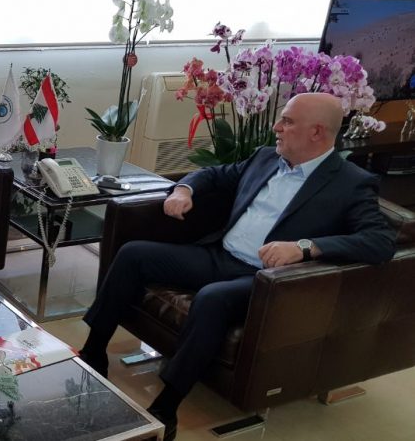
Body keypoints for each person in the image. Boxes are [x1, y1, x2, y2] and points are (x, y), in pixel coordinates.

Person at [79, 92, 396, 440]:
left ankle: (165, 408)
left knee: (212, 299)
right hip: (219, 256)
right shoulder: (265, 157)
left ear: (317, 132)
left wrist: (305, 248)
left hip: (265, 279)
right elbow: (215, 175)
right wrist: (184, 190)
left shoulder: (351, 182)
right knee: (133, 254)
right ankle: (93, 355)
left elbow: (380, 241)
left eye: (287, 121)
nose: (276, 127)